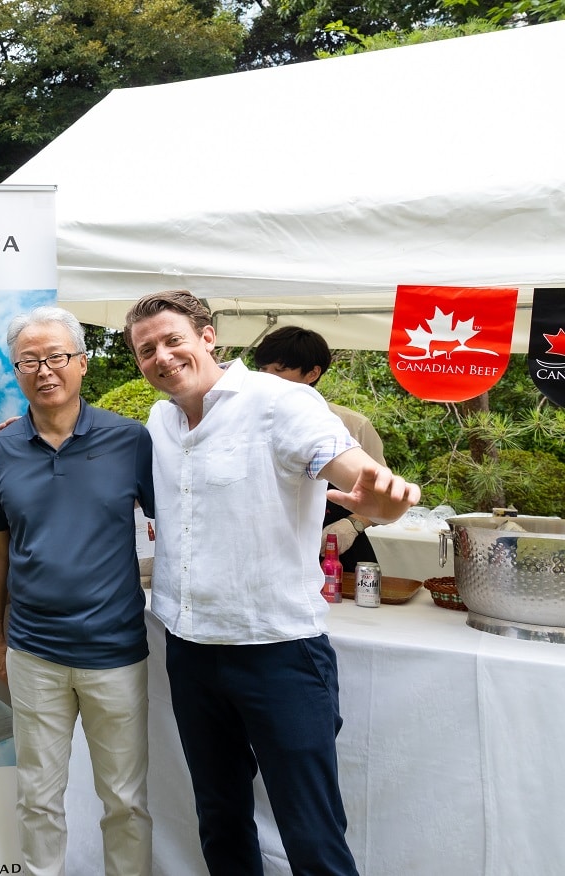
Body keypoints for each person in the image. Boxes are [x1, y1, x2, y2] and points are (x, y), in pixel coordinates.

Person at [124, 291, 420, 876]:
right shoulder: (158, 420)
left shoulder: (282, 403)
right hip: (189, 648)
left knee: (310, 833)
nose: (161, 356)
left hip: (278, 651)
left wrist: (382, 499)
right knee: (221, 819)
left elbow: (356, 473)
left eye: (172, 339)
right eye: (146, 349)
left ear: (209, 337)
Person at [0, 306, 155, 876]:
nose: (44, 370)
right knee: (38, 799)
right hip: (34, 653)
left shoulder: (131, 441)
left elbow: (178, 523)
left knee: (125, 802)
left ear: (81, 364)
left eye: (56, 357)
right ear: (16, 371)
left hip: (114, 651)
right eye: (30, 360)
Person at [253, 325, 387, 571]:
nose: (266, 377)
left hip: (335, 551)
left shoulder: (352, 425)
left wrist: (352, 526)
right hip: (267, 550)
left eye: (279, 370)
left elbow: (382, 497)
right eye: (262, 369)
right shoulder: (245, 421)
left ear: (312, 373)